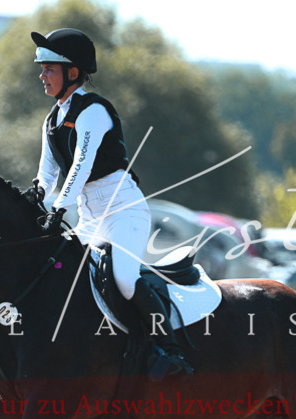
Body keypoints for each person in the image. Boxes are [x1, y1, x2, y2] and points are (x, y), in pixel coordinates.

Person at [29, 28, 193, 379]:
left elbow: (81, 165)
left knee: (123, 280)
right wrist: (35, 197)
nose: (42, 75)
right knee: (67, 277)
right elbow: (47, 172)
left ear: (73, 72)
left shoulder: (94, 111)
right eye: (41, 68)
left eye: (49, 69)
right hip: (89, 214)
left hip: (123, 210)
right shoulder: (52, 120)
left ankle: (169, 349)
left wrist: (58, 209)